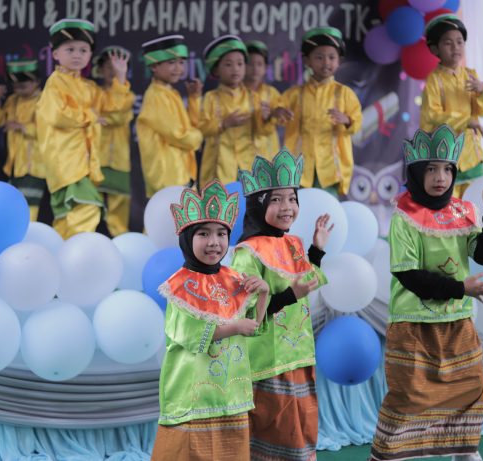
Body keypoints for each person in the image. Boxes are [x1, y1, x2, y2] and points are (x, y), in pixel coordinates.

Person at [369, 125, 483, 461]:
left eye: (446, 168)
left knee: (469, 387)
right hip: (413, 323)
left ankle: (465, 450)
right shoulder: (404, 216)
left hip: (458, 320)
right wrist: (461, 287)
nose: (440, 177)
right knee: (409, 395)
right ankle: (388, 455)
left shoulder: (463, 211)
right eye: (430, 169)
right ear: (415, 173)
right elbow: (409, 275)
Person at [151, 179, 270, 461]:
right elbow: (191, 334)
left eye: (221, 233)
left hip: (231, 390)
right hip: (192, 392)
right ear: (186, 238)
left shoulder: (234, 279)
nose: (214, 242)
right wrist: (234, 327)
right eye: (203, 233)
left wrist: (263, 294)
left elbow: (254, 327)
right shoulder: (178, 285)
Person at [230, 149, 331, 461]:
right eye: (276, 200)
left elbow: (306, 282)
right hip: (269, 360)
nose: (286, 207)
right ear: (259, 205)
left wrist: (316, 250)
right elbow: (246, 314)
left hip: (299, 353)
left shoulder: (294, 243)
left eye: (291, 198)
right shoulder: (247, 253)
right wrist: (289, 296)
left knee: (303, 424)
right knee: (278, 429)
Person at [36, 18, 131, 238]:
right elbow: (58, 115)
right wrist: (90, 116)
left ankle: (62, 256)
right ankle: (76, 254)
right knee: (86, 207)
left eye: (83, 50)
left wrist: (120, 76)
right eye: (70, 49)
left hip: (83, 162)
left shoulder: (89, 87)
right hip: (65, 161)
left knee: (66, 214)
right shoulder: (56, 82)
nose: (77, 54)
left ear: (90, 55)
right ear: (55, 53)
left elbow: (113, 107)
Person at [274, 27, 362, 196]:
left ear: (339, 61)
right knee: (298, 210)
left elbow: (357, 123)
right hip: (298, 167)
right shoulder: (294, 94)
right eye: (319, 57)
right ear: (307, 61)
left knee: (327, 212)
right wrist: (277, 113)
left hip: (330, 168)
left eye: (331, 57)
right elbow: (277, 113)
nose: (326, 62)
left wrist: (347, 120)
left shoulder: (344, 93)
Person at [421, 14, 483, 198]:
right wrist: (465, 121)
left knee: (476, 202)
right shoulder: (434, 80)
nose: (456, 47)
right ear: (435, 48)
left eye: (460, 42)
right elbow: (432, 115)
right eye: (448, 43)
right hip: (445, 153)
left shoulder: (471, 75)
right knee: (449, 207)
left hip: (471, 154)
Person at [136, 34, 203, 198]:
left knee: (182, 221)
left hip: (181, 170)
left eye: (181, 62)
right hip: (167, 173)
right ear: (154, 66)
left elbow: (190, 126)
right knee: (167, 221)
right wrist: (198, 138)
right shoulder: (156, 96)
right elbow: (178, 135)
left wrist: (194, 99)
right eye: (171, 62)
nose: (178, 68)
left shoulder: (171, 93)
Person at [189, 35, 255, 185]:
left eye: (240, 64)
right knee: (220, 206)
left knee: (248, 206)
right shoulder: (211, 98)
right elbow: (201, 129)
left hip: (247, 167)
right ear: (216, 70)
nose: (235, 69)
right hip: (219, 168)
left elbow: (263, 130)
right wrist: (223, 123)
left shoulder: (253, 97)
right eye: (228, 64)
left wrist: (270, 116)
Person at [0, 57, 45, 221]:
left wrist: (22, 127)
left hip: (34, 165)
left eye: (23, 85)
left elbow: (48, 131)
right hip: (15, 165)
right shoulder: (12, 100)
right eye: (16, 86)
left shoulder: (44, 100)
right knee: (17, 206)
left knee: (29, 208)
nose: (19, 89)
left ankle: (29, 240)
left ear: (36, 82)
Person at [94, 46, 136, 235]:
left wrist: (101, 118)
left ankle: (121, 250)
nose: (113, 70)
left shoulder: (128, 95)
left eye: (118, 66)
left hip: (119, 161)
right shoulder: (93, 93)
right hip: (94, 159)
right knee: (89, 210)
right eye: (109, 66)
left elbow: (119, 116)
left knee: (118, 217)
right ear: (100, 68)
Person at [244, 39, 281, 159]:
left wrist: (271, 116)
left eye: (259, 64)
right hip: (242, 156)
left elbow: (279, 121)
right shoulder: (236, 94)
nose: (255, 68)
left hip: (267, 156)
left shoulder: (272, 94)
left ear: (266, 68)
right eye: (250, 63)